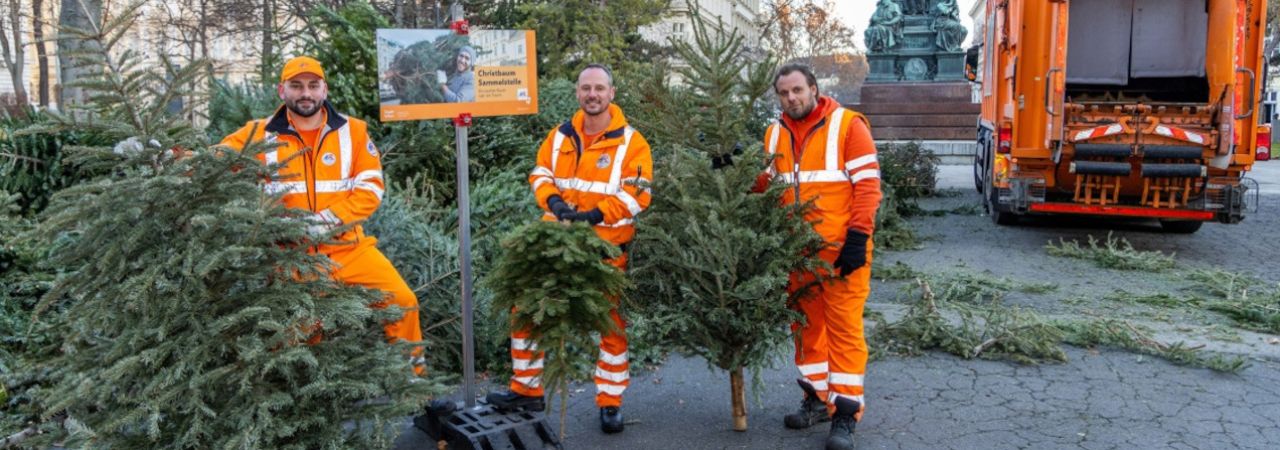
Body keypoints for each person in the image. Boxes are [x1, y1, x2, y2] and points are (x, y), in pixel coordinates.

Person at [220, 56, 424, 374]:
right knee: (299, 330)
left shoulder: (353, 132)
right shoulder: (258, 134)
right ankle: (293, 399)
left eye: (313, 86)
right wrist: (169, 156)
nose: (306, 93)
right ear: (281, 91)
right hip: (292, 256)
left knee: (402, 300)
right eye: (297, 86)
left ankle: (415, 385)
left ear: (324, 90)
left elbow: (370, 190)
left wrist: (328, 221)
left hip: (350, 249)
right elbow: (216, 161)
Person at [485, 64, 653, 435]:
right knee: (526, 309)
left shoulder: (631, 141)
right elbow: (540, 173)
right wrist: (555, 204)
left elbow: (638, 193)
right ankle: (527, 390)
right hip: (556, 240)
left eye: (599, 88)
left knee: (609, 325)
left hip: (605, 249)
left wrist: (594, 214)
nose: (592, 94)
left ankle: (610, 401)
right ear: (578, 93)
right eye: (585, 88)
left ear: (611, 93)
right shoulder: (560, 136)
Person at [754, 64, 881, 450]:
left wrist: (858, 238)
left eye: (797, 90)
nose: (791, 98)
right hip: (797, 253)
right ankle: (815, 396)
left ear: (813, 88)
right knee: (806, 330)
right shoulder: (775, 132)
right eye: (783, 93)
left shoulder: (848, 125)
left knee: (843, 331)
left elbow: (868, 186)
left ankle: (845, 413)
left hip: (841, 252)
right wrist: (737, 171)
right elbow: (768, 184)